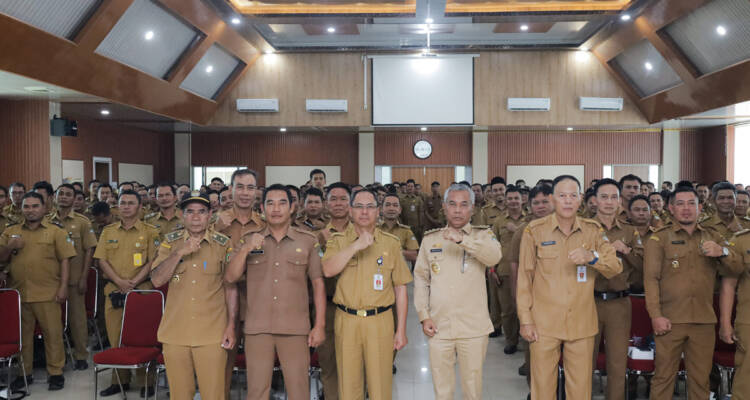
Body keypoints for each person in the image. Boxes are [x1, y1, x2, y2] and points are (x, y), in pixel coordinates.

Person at [517, 175, 621, 400]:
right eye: (562, 196)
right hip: (543, 323)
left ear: (581, 199)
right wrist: (525, 320)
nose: (567, 201)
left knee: (581, 388)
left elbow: (614, 267)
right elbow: (524, 278)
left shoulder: (593, 230)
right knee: (543, 387)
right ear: (553, 199)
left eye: (573, 195)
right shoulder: (534, 231)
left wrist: (592, 257)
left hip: (581, 323)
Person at [226, 184, 326, 400]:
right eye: (270, 203)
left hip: (295, 328)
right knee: (257, 391)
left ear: (292, 208)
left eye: (282, 203)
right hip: (257, 328)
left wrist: (319, 325)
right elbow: (230, 277)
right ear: (262, 207)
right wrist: (245, 249)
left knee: (299, 391)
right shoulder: (250, 239)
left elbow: (318, 284)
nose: (276, 208)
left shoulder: (307, 240)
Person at [644, 185, 740, 400]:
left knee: (701, 380)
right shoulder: (659, 238)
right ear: (670, 208)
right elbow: (650, 279)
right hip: (669, 320)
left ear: (700, 207)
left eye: (691, 203)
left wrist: (722, 251)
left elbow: (736, 268)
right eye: (680, 204)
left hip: (703, 321)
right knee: (663, 378)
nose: (686, 209)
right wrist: (655, 315)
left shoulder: (712, 236)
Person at [322, 189, 412, 400]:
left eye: (370, 206)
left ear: (378, 211)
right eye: (359, 207)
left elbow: (400, 288)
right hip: (347, 320)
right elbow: (327, 270)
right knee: (348, 387)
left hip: (380, 321)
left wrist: (401, 330)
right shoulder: (337, 241)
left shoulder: (391, 242)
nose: (364, 212)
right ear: (351, 211)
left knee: (380, 387)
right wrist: (356, 245)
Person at [414, 183, 502, 400]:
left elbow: (494, 258)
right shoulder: (430, 239)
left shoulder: (483, 236)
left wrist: (463, 240)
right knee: (442, 389)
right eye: (452, 204)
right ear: (444, 207)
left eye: (464, 205)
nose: (457, 210)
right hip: (439, 325)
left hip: (473, 327)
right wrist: (424, 316)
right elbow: (421, 280)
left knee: (472, 388)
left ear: (472, 208)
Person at [150, 191, 237, 400]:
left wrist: (231, 325)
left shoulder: (223, 243)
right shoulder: (170, 242)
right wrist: (179, 253)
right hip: (175, 333)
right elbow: (156, 279)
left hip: (212, 333)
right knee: (179, 395)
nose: (196, 217)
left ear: (210, 215)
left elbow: (231, 287)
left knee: (214, 395)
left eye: (201, 212)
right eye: (190, 212)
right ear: (182, 215)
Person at [0, 192, 76, 391]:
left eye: (35, 206)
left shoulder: (56, 231)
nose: (30, 210)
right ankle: (24, 373)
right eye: (26, 206)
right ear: (21, 208)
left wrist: (63, 287)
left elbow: (65, 260)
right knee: (23, 337)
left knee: (53, 334)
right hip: (20, 293)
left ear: (44, 208)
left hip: (48, 292)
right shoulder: (11, 231)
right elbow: (1, 258)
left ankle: (56, 373)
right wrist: (9, 247)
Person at [94, 190, 160, 397]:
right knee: (116, 338)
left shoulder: (151, 231)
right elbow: (101, 260)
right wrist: (120, 282)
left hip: (141, 292)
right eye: (123, 203)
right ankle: (119, 381)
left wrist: (133, 282)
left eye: (131, 203)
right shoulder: (108, 231)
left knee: (142, 338)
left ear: (140, 207)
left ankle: (146, 383)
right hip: (114, 291)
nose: (126, 207)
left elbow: (153, 261)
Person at [213, 169, 266, 398]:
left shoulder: (265, 225)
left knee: (259, 365)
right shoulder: (216, 223)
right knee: (222, 364)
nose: (245, 193)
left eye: (250, 187)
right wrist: (214, 228)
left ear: (257, 192)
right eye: (240, 187)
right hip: (221, 304)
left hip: (256, 304)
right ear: (231, 189)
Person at [589, 179, 643, 400]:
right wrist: (606, 253)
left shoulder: (630, 231)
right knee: (584, 361)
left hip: (619, 303)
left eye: (614, 197)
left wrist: (627, 251)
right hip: (588, 302)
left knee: (617, 362)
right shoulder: (584, 228)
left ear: (620, 201)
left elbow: (642, 266)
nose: (609, 202)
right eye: (604, 197)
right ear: (595, 200)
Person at [47, 184, 98, 371]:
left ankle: (81, 355)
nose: (64, 197)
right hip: (51, 279)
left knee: (78, 320)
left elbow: (89, 250)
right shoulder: (46, 221)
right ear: (55, 196)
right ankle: (57, 356)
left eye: (69, 194)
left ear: (75, 198)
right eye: (61, 194)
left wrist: (84, 277)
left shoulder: (83, 222)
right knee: (53, 321)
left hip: (75, 279)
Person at [315, 182, 353, 400]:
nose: (338, 204)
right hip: (327, 308)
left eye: (343, 199)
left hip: (355, 309)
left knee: (355, 365)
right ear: (326, 203)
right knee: (328, 366)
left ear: (350, 203)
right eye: (333, 199)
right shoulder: (316, 236)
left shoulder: (361, 233)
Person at [490, 185, 525, 352]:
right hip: (504, 270)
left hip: (527, 270)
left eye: (516, 198)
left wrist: (517, 230)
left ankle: (526, 341)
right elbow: (491, 246)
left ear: (522, 200)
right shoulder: (499, 222)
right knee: (507, 310)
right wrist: (492, 269)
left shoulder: (530, 220)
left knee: (525, 308)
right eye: (509, 198)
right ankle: (511, 341)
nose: (513, 202)